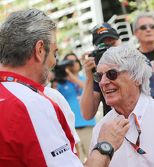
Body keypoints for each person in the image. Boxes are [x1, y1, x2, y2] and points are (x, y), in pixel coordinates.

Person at [0, 8, 129, 167]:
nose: (54, 63)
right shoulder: (31, 105)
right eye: (55, 53)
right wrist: (106, 145)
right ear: (40, 50)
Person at [57, 53, 96, 162]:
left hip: (88, 125)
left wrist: (71, 77)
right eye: (68, 62)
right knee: (76, 161)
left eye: (74, 61)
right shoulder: (60, 83)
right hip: (71, 129)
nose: (72, 64)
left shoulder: (86, 78)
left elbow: (86, 88)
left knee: (93, 159)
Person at [81, 23, 121, 120]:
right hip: (114, 126)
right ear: (95, 49)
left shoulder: (135, 62)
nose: (108, 50)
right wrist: (89, 77)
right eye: (103, 46)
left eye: (111, 44)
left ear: (120, 41)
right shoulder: (98, 73)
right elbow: (87, 115)